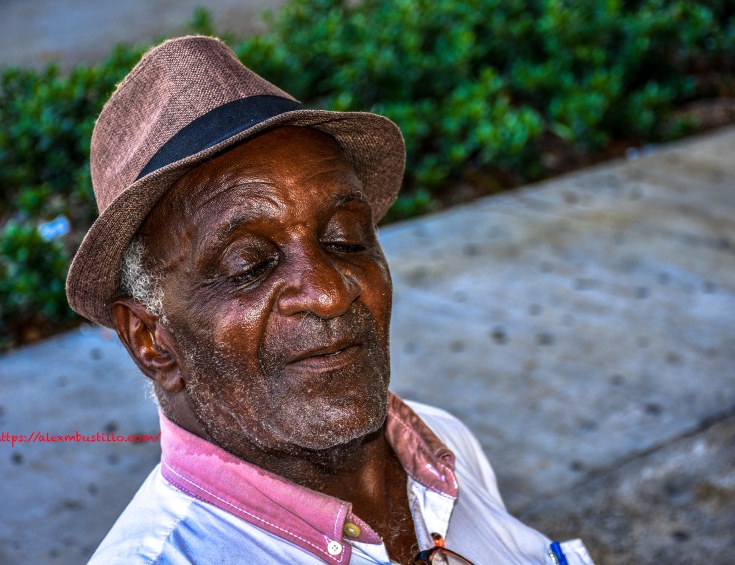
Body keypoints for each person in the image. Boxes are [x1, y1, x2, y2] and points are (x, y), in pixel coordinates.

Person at [66, 36, 594, 565]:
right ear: (150, 340)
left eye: (345, 239)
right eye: (249, 266)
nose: (328, 291)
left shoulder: (444, 447)